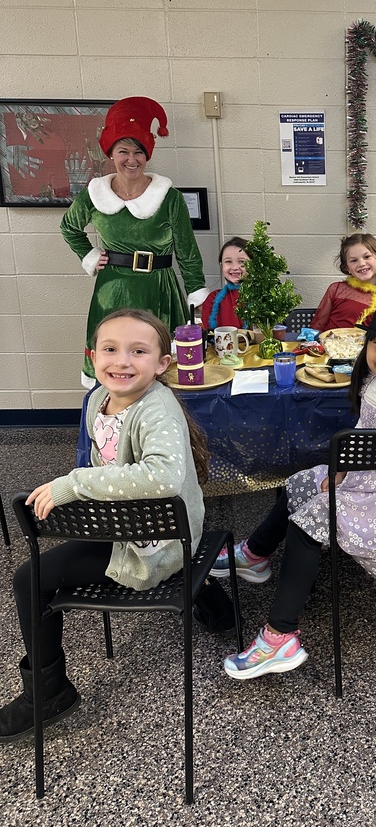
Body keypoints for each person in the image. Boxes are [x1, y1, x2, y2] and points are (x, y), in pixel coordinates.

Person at [210, 291, 376, 678]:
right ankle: (255, 556)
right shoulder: (372, 379)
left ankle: (279, 637)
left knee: (312, 521)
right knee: (301, 483)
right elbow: (361, 433)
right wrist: (337, 474)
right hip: (365, 478)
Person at [0, 309, 209, 743]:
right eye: (110, 350)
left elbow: (164, 477)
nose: (122, 361)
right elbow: (104, 461)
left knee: (28, 578)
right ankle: (209, 596)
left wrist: (72, 485)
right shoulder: (98, 399)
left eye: (139, 351)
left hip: (157, 541)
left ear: (162, 364)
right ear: (91, 356)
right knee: (40, 569)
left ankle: (48, 694)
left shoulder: (158, 410)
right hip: (124, 524)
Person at [60, 96, 208, 386]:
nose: (131, 159)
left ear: (147, 154)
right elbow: (69, 228)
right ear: (111, 154)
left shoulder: (169, 198)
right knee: (115, 363)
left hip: (160, 289)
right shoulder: (94, 195)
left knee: (159, 365)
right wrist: (88, 254)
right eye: (123, 151)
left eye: (138, 152)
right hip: (112, 291)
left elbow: (188, 253)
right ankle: (112, 428)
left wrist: (196, 296)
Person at [310, 233, 376, 332]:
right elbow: (317, 326)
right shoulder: (337, 289)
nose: (362, 263)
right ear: (347, 268)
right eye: (354, 260)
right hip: (331, 344)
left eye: (367, 257)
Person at [201, 236, 250, 330]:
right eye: (228, 261)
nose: (235, 267)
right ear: (221, 265)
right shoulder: (212, 299)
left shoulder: (262, 298)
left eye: (242, 262)